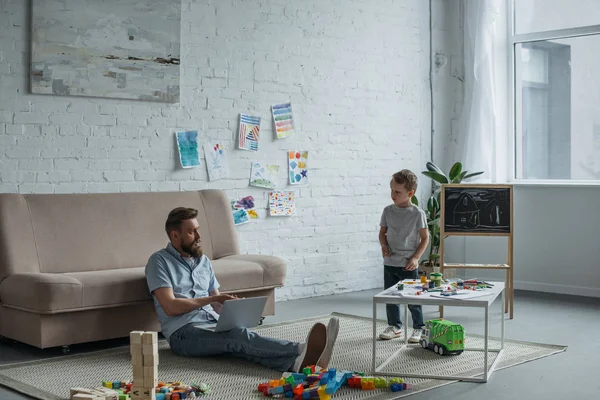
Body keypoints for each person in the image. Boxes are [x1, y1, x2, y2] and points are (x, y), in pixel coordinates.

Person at [145, 207, 339, 372]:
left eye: (198, 230)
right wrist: (213, 300)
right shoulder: (159, 261)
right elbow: (170, 307)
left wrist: (231, 309)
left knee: (241, 341)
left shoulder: (203, 261)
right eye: (191, 232)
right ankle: (300, 349)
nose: (198, 236)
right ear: (175, 235)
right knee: (238, 338)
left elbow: (216, 302)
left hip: (211, 323)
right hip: (183, 334)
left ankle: (295, 365)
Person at [378, 170, 429, 342]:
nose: (393, 194)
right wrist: (384, 246)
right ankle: (395, 326)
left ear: (410, 193)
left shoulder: (417, 214)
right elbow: (382, 234)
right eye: (392, 190)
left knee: (412, 297)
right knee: (390, 297)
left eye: (397, 192)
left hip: (408, 264)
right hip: (390, 262)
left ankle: (419, 327)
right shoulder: (387, 211)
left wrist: (415, 258)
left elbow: (425, 238)